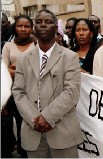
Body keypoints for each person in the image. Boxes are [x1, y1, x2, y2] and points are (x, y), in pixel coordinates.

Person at [12, 9, 83, 158]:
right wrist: (35, 120)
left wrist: (47, 117)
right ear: (34, 28)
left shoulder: (70, 57)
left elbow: (71, 92)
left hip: (63, 133)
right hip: (33, 133)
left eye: (48, 22)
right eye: (39, 22)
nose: (43, 25)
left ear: (56, 27)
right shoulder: (24, 59)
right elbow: (18, 92)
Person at [2, 14, 37, 158]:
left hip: (32, 93)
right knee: (8, 125)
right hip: (11, 93)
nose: (23, 29)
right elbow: (4, 70)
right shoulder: (8, 46)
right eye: (20, 26)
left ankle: (26, 152)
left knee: (28, 125)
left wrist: (18, 69)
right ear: (14, 27)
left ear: (31, 28)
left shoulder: (37, 45)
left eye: (27, 26)